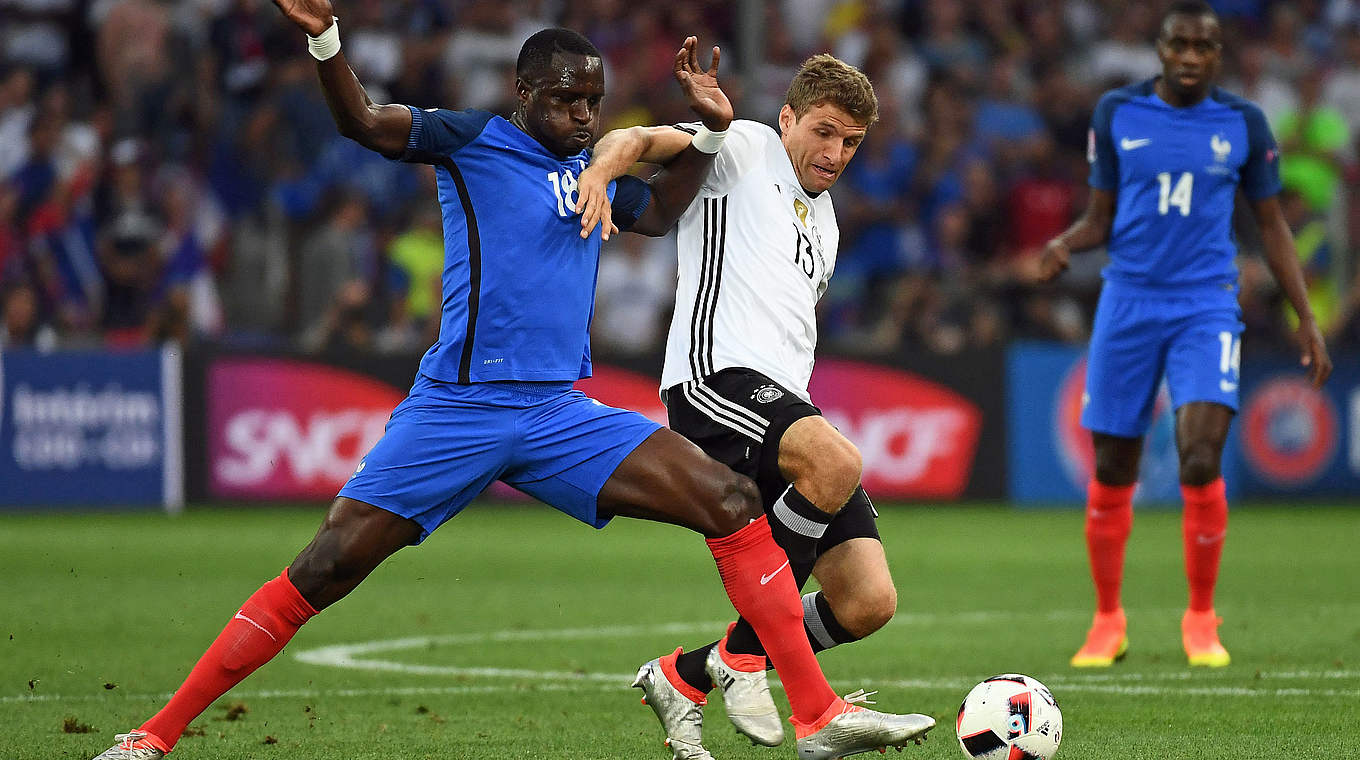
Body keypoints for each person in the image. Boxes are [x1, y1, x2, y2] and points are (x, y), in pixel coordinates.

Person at [91, 2, 934, 759]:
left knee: (731, 502)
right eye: (567, 99)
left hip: (559, 413)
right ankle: (153, 735)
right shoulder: (471, 141)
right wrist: (325, 40)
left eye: (593, 103)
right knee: (325, 567)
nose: (582, 116)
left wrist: (708, 137)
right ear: (524, 92)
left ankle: (812, 711)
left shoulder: (587, 173)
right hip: (457, 409)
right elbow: (367, 125)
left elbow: (668, 211)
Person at [575, 54, 929, 758]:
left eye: (851, 142)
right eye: (824, 133)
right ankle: (748, 668)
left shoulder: (825, 221)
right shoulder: (743, 146)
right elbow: (641, 142)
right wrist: (601, 168)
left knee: (867, 602)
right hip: (714, 380)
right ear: (789, 118)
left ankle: (690, 674)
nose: (835, 154)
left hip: (781, 400)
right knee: (835, 462)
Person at [1037, 0, 1332, 670]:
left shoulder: (1244, 124)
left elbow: (1273, 226)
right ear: (1160, 49)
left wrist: (1305, 316)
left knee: (1200, 456)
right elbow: (1100, 218)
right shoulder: (1118, 112)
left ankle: (1201, 617)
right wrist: (1066, 243)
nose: (1192, 58)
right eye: (1180, 46)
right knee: (1114, 466)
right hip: (1129, 301)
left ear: (1218, 54)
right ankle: (1108, 620)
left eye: (1205, 47)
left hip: (1206, 305)